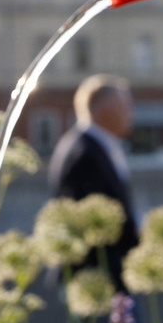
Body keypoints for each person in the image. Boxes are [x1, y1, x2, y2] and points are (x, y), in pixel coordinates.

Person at [47, 74, 142, 289]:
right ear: (106, 109)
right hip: (96, 281)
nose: (131, 113)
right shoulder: (84, 153)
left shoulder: (90, 145)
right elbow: (89, 220)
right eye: (126, 105)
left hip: (103, 277)